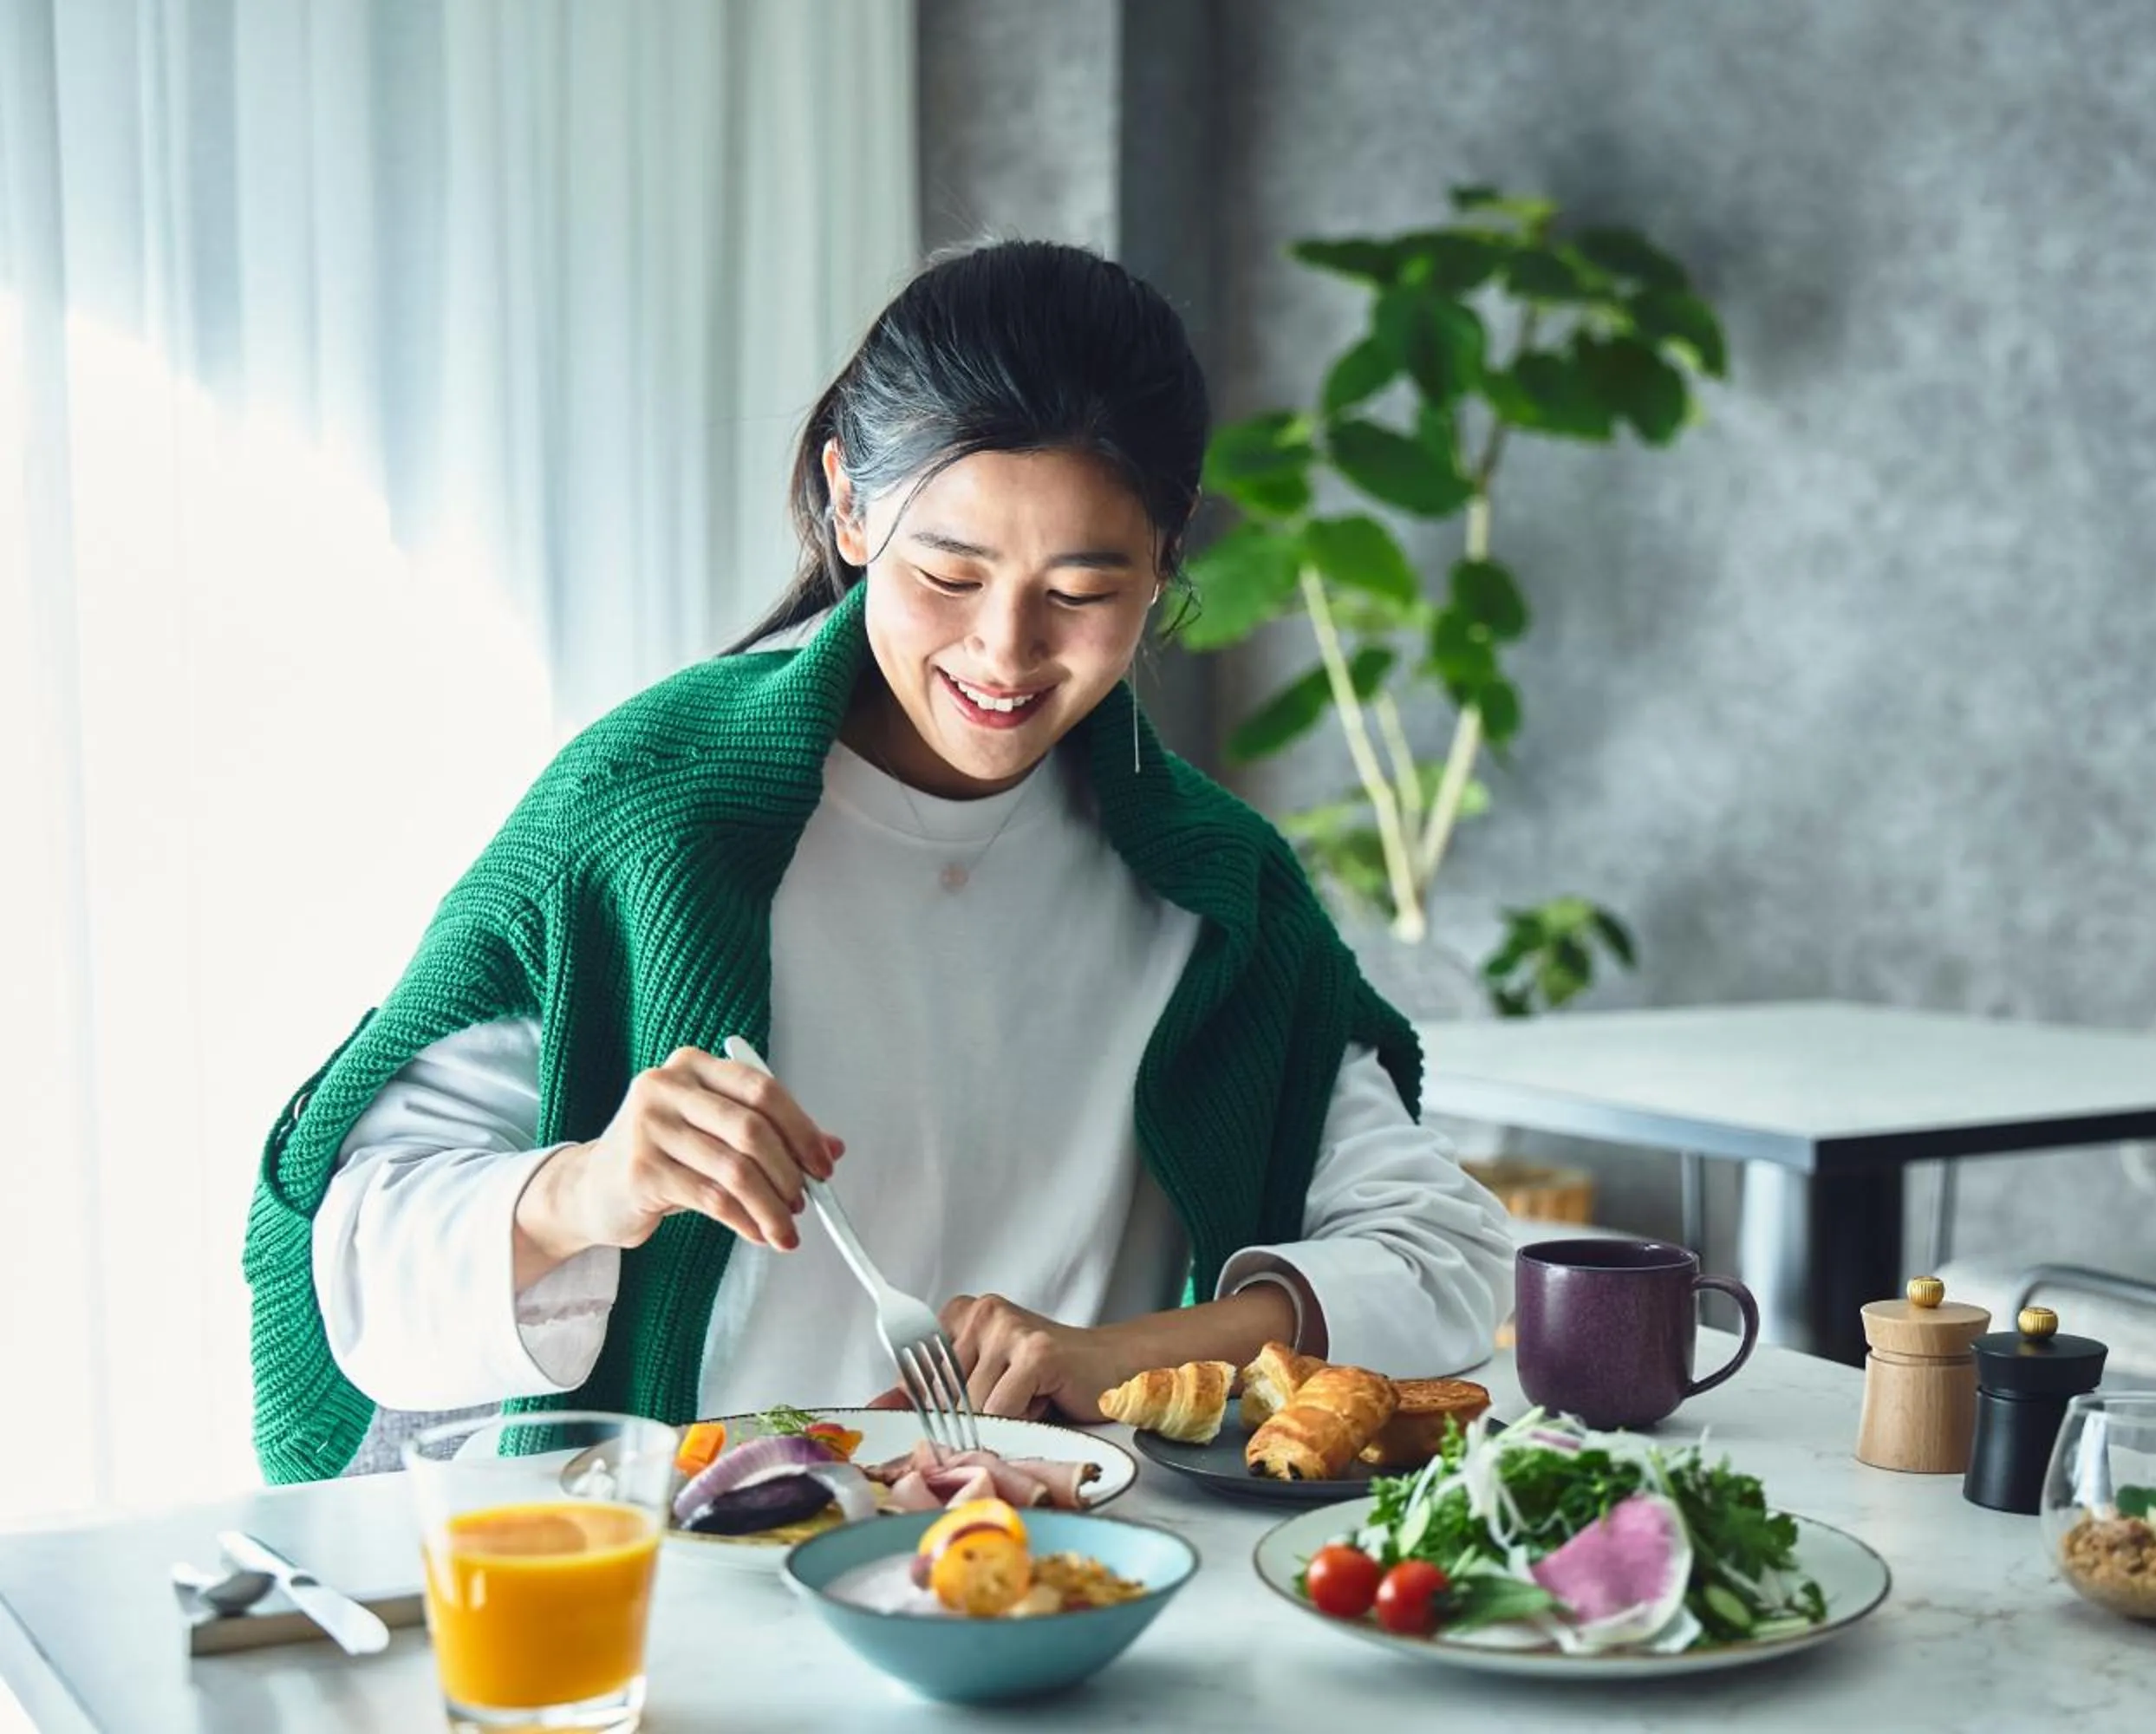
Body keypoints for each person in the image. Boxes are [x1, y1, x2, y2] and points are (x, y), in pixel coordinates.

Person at [242, 240, 1514, 1482]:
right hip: (689, 1597)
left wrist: (1120, 1355)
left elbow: (1448, 1256)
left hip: (1071, 1590)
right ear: (850, 506)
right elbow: (354, 1258)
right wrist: (596, 1183)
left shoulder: (1220, 894)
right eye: (948, 573)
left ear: (1168, 554)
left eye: (1081, 590)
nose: (1006, 653)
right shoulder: (642, 817)